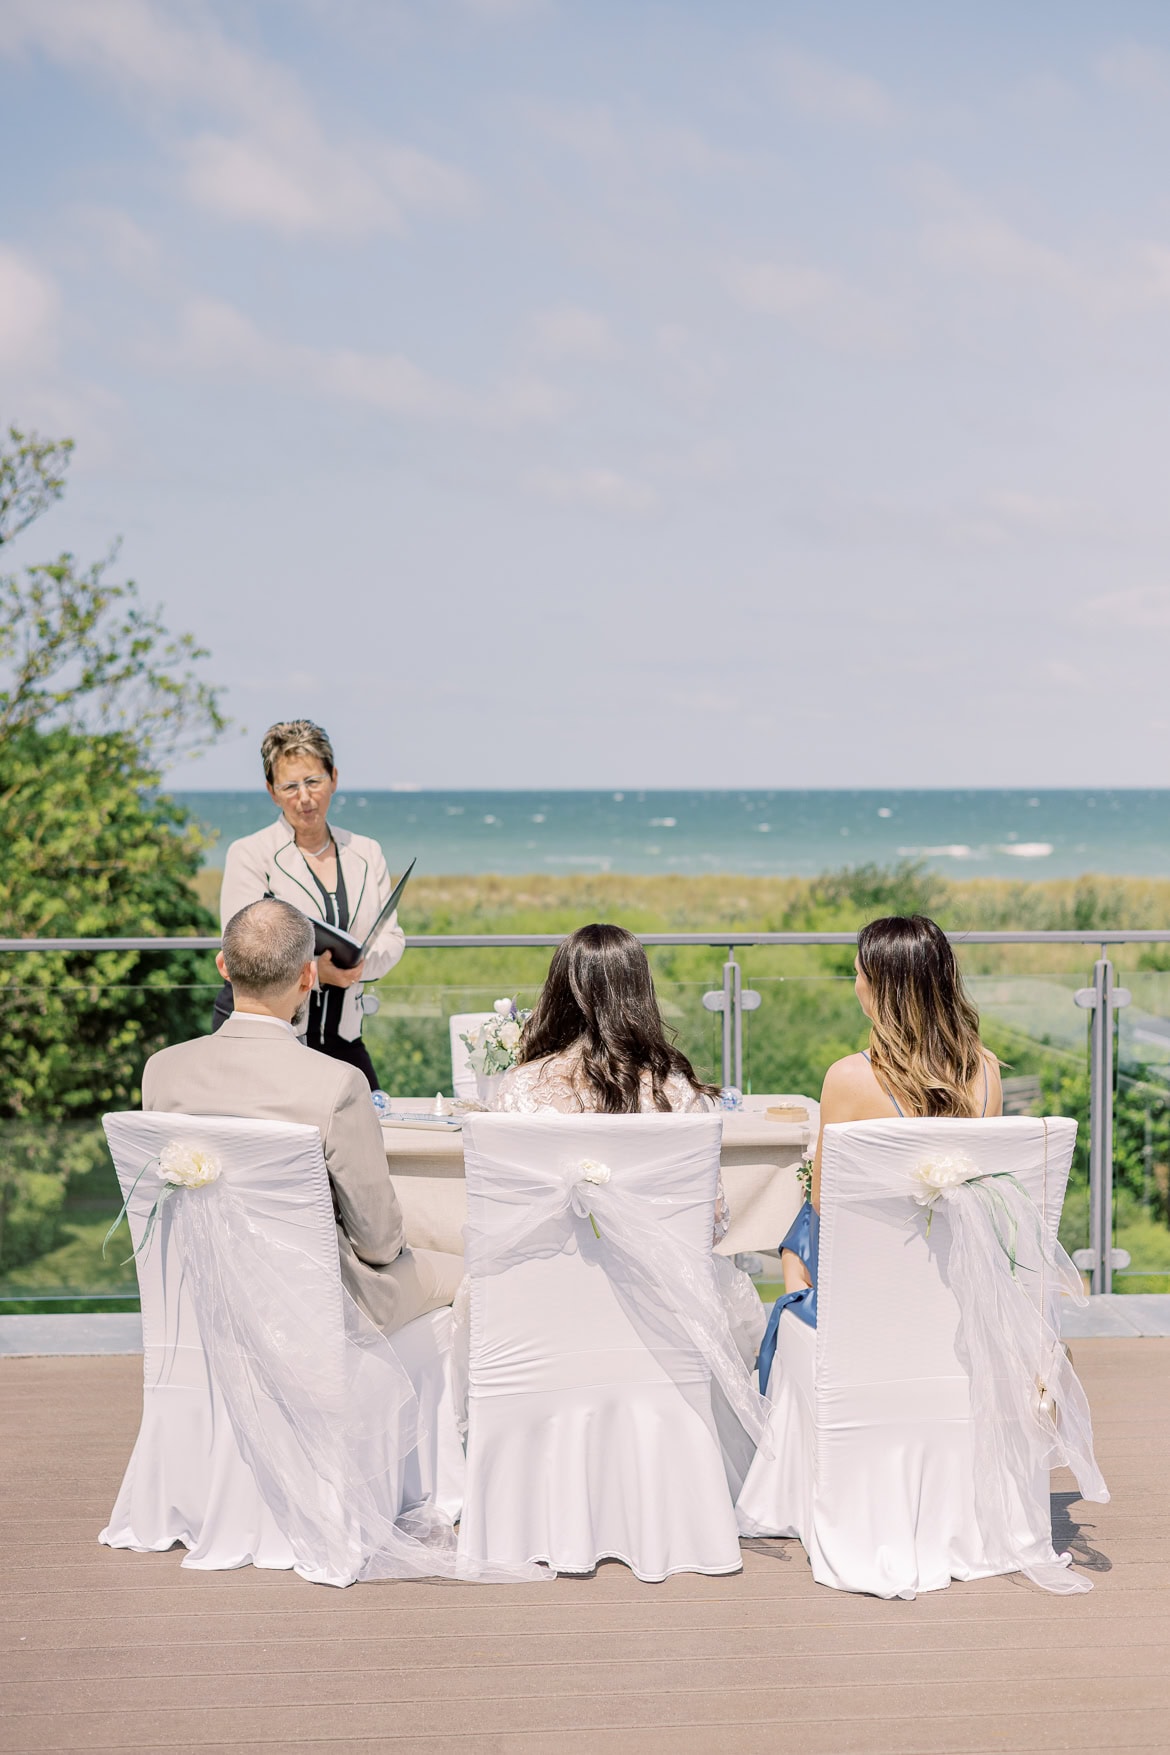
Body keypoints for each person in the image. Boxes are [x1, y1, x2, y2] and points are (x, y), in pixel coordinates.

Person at [450, 925, 766, 1437]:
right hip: (658, 1317)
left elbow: (505, 1223)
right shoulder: (675, 1091)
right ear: (638, 994)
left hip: (544, 1314)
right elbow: (710, 1227)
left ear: (558, 991)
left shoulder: (520, 1087)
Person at [144, 898, 461, 1335]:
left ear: (223, 966)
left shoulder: (161, 1070)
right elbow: (379, 1245)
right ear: (309, 976)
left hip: (203, 1290)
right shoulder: (338, 1084)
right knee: (471, 1272)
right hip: (322, 1303)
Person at [757, 913, 1003, 1387]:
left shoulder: (848, 1077)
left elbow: (824, 1207)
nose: (856, 986)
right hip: (958, 1286)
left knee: (793, 1248)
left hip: (874, 1294)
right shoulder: (988, 1070)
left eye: (859, 975)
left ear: (882, 990)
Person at [214, 719, 405, 1091]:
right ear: (272, 791)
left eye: (313, 781)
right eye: (290, 786)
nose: (304, 797)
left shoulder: (367, 852)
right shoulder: (250, 854)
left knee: (369, 1116)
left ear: (334, 778)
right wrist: (316, 973)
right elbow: (242, 954)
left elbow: (391, 938)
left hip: (343, 1036)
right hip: (266, 1040)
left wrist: (355, 969)